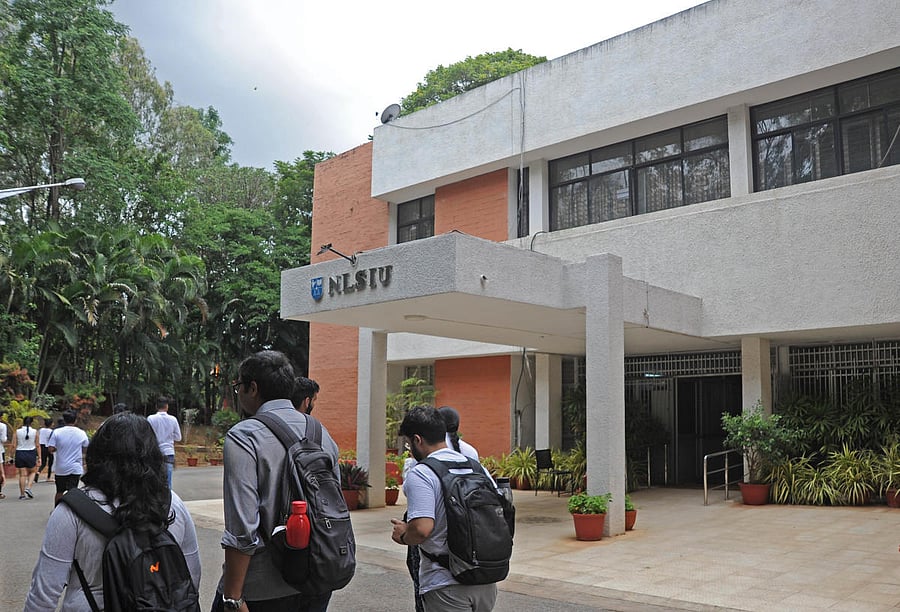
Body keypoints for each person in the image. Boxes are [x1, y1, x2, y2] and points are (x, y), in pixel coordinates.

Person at [24, 411, 201, 611]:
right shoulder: (171, 503)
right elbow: (190, 576)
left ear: (97, 454)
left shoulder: (72, 511)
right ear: (152, 455)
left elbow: (43, 594)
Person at [213, 350, 341, 612]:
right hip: (317, 578)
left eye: (238, 387)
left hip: (262, 587)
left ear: (253, 388)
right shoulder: (320, 432)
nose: (237, 393)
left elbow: (242, 528)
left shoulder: (244, 436)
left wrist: (233, 597)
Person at [391, 406, 498, 612]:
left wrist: (404, 535)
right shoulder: (476, 466)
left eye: (408, 442)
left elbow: (422, 529)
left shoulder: (422, 472)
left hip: (447, 584)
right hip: (485, 579)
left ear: (417, 440)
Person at [48, 410, 90, 505]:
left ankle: (57, 510)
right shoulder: (81, 433)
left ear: (64, 420)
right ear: (75, 420)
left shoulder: (57, 432)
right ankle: (72, 511)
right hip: (75, 467)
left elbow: (50, 449)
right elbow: (86, 448)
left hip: (61, 467)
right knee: (72, 491)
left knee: (59, 491)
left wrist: (58, 448)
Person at [147, 396, 182, 488]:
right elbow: (178, 437)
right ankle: (168, 500)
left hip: (155, 452)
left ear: (156, 406)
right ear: (167, 406)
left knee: (154, 480)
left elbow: (147, 435)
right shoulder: (173, 419)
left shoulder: (151, 419)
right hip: (168, 452)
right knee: (167, 481)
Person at [12, 416, 40, 500]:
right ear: (31, 423)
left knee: (22, 475)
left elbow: (13, 445)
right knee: (33, 471)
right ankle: (28, 487)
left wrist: (10, 455)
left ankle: (22, 494)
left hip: (20, 453)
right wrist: (39, 457)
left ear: (23, 422)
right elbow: (37, 445)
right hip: (31, 452)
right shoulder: (35, 432)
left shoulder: (17, 432)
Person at [35, 417, 55, 484]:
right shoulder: (51, 431)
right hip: (47, 447)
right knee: (50, 462)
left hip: (41, 446)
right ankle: (48, 477)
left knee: (43, 462)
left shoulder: (41, 430)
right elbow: (51, 440)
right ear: (51, 424)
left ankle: (38, 472)